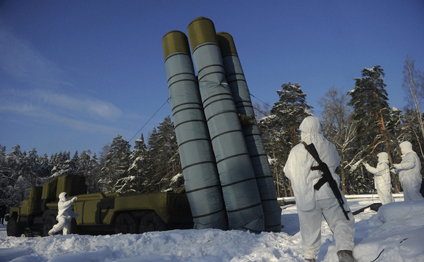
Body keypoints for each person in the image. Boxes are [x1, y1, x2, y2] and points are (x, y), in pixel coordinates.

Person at [284, 116, 355, 262]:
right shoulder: (329, 145)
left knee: (309, 229)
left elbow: (288, 172)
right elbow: (336, 162)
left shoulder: (295, 150)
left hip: (306, 196)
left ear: (303, 129)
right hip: (329, 192)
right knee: (341, 220)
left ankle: (310, 257)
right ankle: (344, 250)